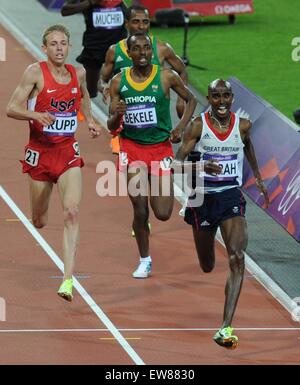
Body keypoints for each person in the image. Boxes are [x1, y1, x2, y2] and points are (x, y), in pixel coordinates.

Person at [6, 24, 101, 302]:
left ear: (69, 47)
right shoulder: (35, 73)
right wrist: (36, 116)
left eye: (63, 43)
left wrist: (91, 121)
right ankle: (39, 215)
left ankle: (67, 280)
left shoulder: (78, 72)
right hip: (40, 152)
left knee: (71, 212)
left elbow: (82, 96)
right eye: (53, 44)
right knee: (39, 221)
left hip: (67, 151)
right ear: (44, 48)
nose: (59, 48)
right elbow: (11, 108)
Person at [173, 79, 269, 349]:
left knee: (237, 257)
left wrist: (259, 179)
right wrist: (201, 165)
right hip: (202, 198)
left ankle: (225, 327)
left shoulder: (242, 125)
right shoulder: (197, 126)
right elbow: (176, 164)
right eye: (216, 97)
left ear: (233, 97)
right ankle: (202, 237)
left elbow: (248, 145)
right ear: (209, 98)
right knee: (207, 265)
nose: (222, 101)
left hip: (230, 196)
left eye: (226, 96)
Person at [107, 32, 196, 278]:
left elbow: (191, 100)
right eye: (138, 49)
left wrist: (180, 128)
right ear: (130, 53)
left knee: (163, 213)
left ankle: (164, 214)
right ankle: (144, 259)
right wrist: (118, 114)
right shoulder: (118, 81)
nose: (144, 53)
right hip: (132, 148)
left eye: (147, 48)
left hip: (159, 150)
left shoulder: (166, 76)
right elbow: (111, 126)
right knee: (140, 209)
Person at [99, 4, 188, 154]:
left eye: (145, 22)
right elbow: (102, 79)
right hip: (126, 118)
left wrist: (180, 99)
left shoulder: (161, 48)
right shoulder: (115, 51)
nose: (141, 26)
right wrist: (104, 88)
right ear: (126, 23)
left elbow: (182, 71)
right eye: (136, 21)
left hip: (157, 119)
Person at [61, 0, 127, 98]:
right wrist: (90, 2)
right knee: (90, 92)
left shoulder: (119, 3)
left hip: (118, 49)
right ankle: (86, 110)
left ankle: (115, 109)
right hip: (94, 48)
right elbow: (65, 11)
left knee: (120, 91)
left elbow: (130, 14)